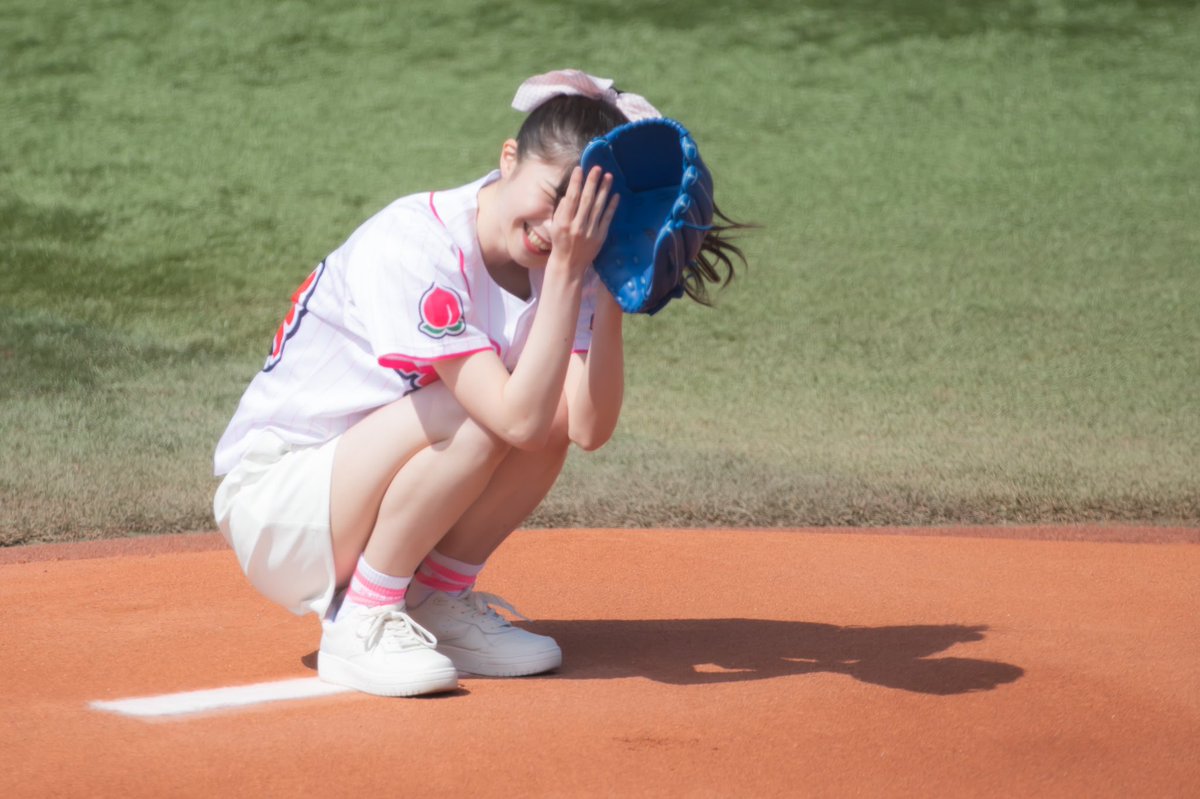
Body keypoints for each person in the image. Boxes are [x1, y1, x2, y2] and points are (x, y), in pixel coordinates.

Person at [212, 69, 747, 697]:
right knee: (487, 413)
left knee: (542, 411)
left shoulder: (565, 262)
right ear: (509, 157)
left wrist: (610, 295)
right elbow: (513, 419)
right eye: (552, 197)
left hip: (357, 493)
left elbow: (585, 426)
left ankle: (435, 602)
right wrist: (571, 269)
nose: (557, 227)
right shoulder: (420, 243)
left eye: (580, 216)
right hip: (282, 506)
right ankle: (362, 619)